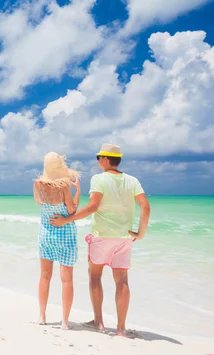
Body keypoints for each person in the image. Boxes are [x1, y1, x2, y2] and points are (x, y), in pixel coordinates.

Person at [50, 144, 151, 337]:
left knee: (95, 276)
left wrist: (67, 220)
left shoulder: (98, 179)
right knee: (122, 281)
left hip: (102, 236)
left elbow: (93, 206)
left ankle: (99, 322)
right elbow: (146, 207)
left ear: (106, 159)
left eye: (98, 157)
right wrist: (140, 233)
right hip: (124, 239)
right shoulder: (132, 180)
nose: (97, 160)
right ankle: (121, 328)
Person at [33, 152, 81, 330]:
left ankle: (42, 316)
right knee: (66, 280)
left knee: (45, 277)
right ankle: (65, 321)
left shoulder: (38, 185)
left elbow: (41, 203)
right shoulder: (64, 186)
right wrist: (78, 191)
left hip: (45, 234)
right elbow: (72, 211)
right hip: (65, 235)